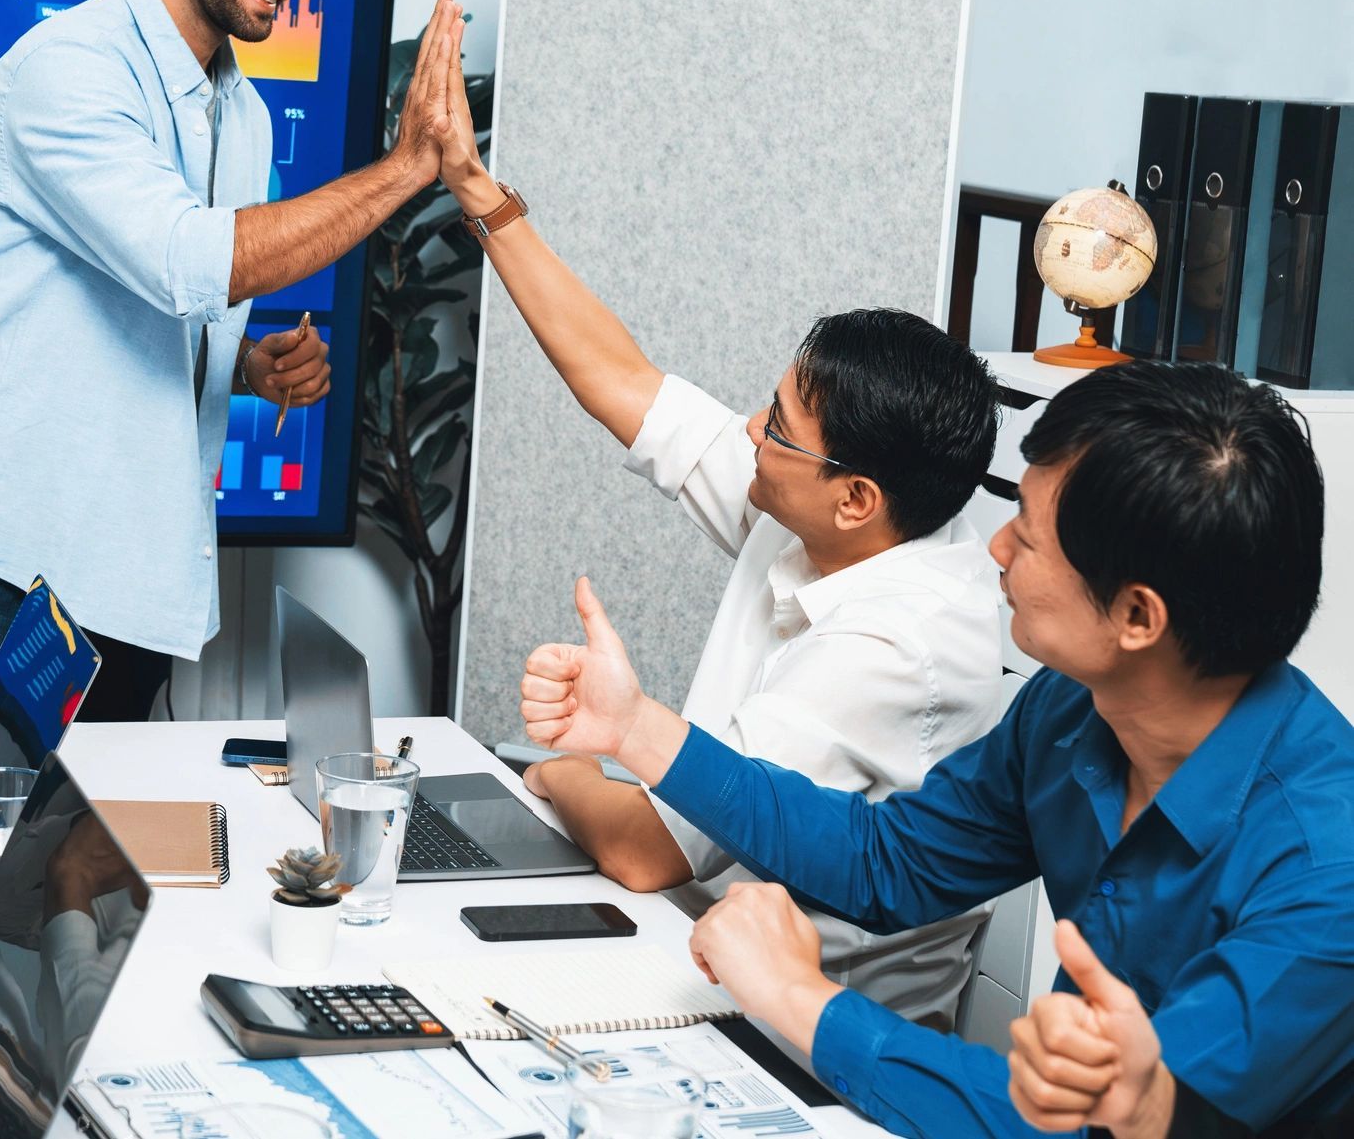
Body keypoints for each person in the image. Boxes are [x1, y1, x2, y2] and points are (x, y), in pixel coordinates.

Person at [521, 359, 1354, 1137]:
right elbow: (891, 861)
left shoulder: (1328, 868)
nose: (994, 549)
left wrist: (796, 997)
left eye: (1026, 537)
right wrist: (637, 728)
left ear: (1137, 617)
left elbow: (1088, 1128)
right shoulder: (1070, 708)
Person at [432, 54, 1004, 1026]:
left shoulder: (896, 646)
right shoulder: (814, 519)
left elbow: (647, 848)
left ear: (856, 496)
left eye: (778, 426)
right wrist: (485, 199)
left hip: (805, 1046)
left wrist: (546, 768)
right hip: (689, 957)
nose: (749, 431)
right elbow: (625, 381)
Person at [0, 0, 466, 724]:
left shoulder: (244, 114)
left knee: (76, 872)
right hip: (2, 573)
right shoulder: (68, 69)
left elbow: (148, 311)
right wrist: (406, 168)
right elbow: (183, 260)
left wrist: (242, 365)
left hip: (136, 585)